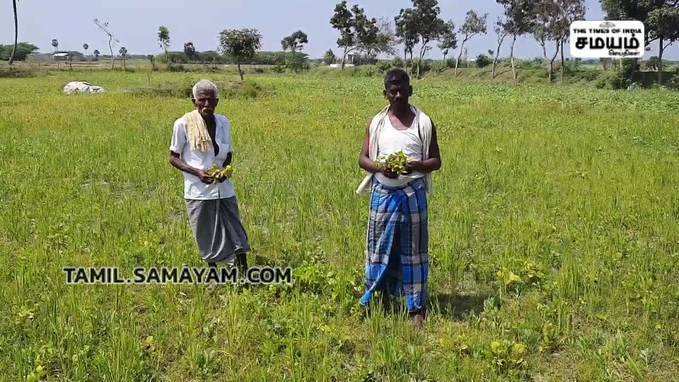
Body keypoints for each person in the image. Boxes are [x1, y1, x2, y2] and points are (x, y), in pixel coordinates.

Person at [356, 68, 441, 326]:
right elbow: (363, 159)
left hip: (413, 193)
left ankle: (415, 307)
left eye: (403, 88)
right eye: (392, 90)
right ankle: (376, 296)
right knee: (379, 249)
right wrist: (382, 168)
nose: (398, 93)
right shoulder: (376, 123)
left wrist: (415, 165)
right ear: (385, 93)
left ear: (410, 90)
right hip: (383, 193)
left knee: (413, 250)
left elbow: (436, 161)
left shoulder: (424, 123)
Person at [169, 79, 249, 272]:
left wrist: (225, 170)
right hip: (198, 190)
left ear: (217, 102)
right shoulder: (183, 124)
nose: (206, 105)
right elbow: (173, 157)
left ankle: (243, 272)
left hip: (223, 187)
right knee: (207, 233)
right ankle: (213, 273)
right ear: (193, 101)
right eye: (202, 100)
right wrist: (197, 172)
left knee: (234, 228)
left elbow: (228, 153)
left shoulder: (223, 122)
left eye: (211, 101)